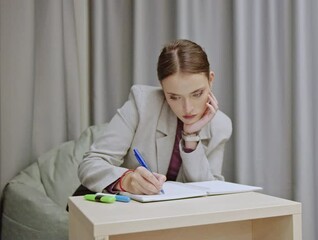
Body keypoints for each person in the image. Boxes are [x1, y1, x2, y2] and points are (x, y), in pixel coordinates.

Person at [78, 39, 232, 195]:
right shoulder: (142, 103)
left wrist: (191, 138)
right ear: (163, 88)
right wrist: (126, 181)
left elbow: (211, 189)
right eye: (174, 97)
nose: (188, 108)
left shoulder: (221, 125)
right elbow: (90, 164)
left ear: (210, 80)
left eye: (197, 94)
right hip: (124, 209)